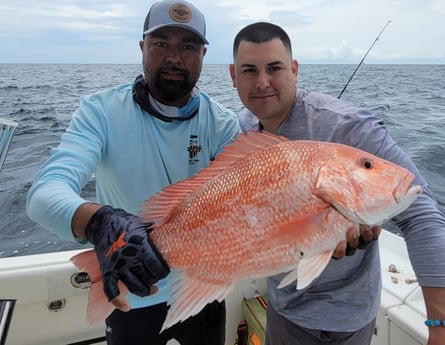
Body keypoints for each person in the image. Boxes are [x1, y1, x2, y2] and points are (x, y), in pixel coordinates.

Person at [25, 1, 242, 344]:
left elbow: (240, 207)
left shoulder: (222, 125)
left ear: (203, 54)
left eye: (187, 46)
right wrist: (98, 221)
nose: (174, 57)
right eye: (161, 44)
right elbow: (43, 194)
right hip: (130, 288)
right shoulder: (100, 112)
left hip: (202, 287)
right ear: (142, 48)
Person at [229, 22, 445, 345]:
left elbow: (421, 212)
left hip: (344, 319)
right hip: (283, 306)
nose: (262, 82)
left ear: (295, 69)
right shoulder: (241, 132)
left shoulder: (348, 126)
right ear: (233, 75)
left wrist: (438, 328)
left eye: (274, 68)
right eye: (250, 70)